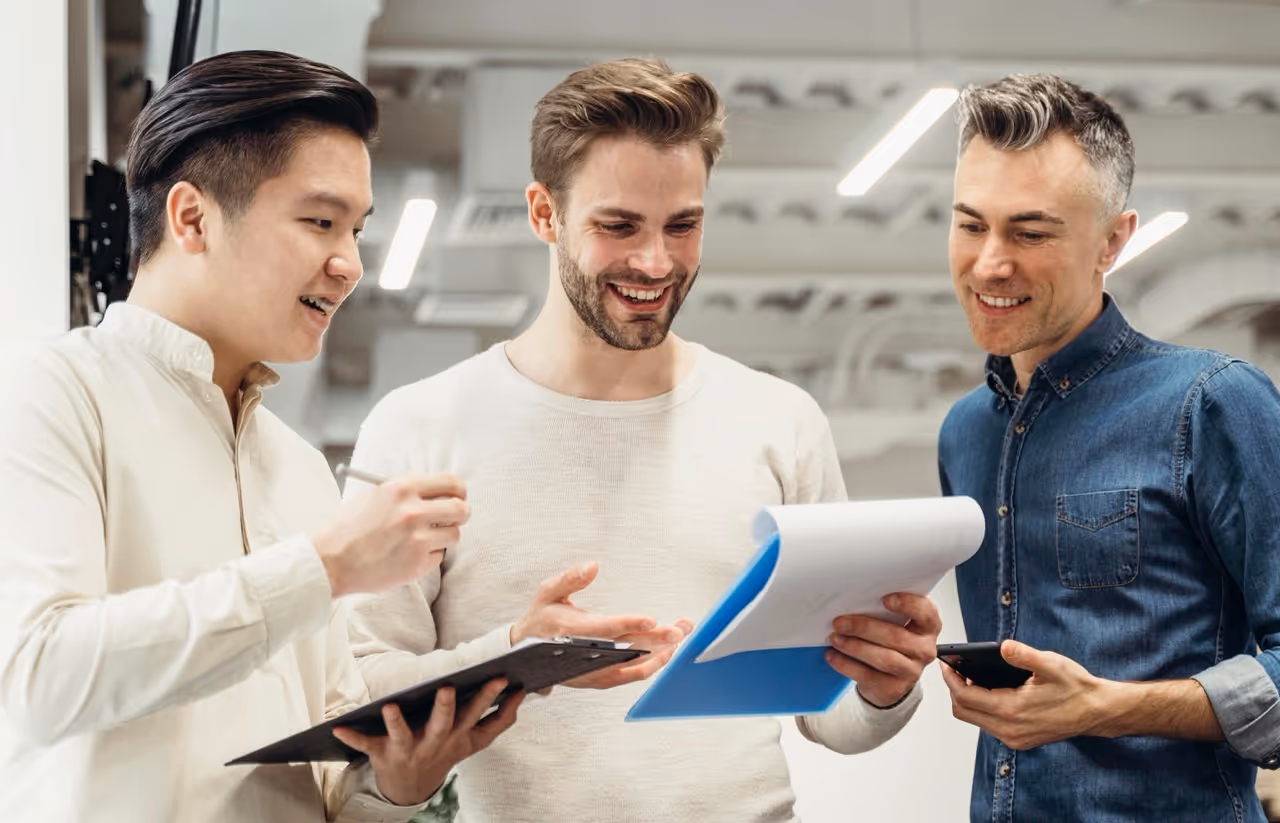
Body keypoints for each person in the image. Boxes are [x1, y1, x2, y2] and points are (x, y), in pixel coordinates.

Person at [343, 57, 942, 822]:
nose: (655, 263)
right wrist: (521, 655)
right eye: (618, 225)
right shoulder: (421, 425)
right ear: (543, 214)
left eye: (682, 225)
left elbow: (829, 715)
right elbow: (363, 684)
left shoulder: (779, 421)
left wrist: (882, 684)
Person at [0, 50, 522, 823]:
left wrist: (400, 780)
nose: (348, 265)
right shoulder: (55, 393)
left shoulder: (301, 468)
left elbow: (337, 777)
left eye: (355, 229)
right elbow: (37, 678)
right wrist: (325, 566)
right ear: (191, 217)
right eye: (319, 221)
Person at [937, 73, 1280, 822]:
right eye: (970, 225)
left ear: (1113, 241)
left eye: (1030, 232)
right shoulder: (966, 431)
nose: (991, 263)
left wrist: (1106, 706)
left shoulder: (1213, 402)